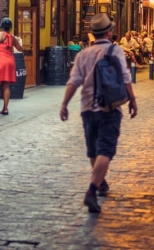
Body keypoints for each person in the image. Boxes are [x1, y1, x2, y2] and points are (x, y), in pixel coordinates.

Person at [60, 13, 138, 213]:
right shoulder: (116, 50)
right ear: (109, 32)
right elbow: (126, 77)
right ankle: (92, 190)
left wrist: (64, 104)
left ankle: (101, 182)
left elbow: (73, 81)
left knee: (94, 149)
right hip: (109, 107)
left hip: (87, 108)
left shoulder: (83, 54)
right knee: (105, 150)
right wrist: (132, 100)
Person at [0, 17, 23, 117]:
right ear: (10, 27)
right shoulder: (12, 37)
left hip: (1, 60)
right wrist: (19, 41)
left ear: (1, 25)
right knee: (6, 85)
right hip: (10, 60)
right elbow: (20, 49)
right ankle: (5, 109)